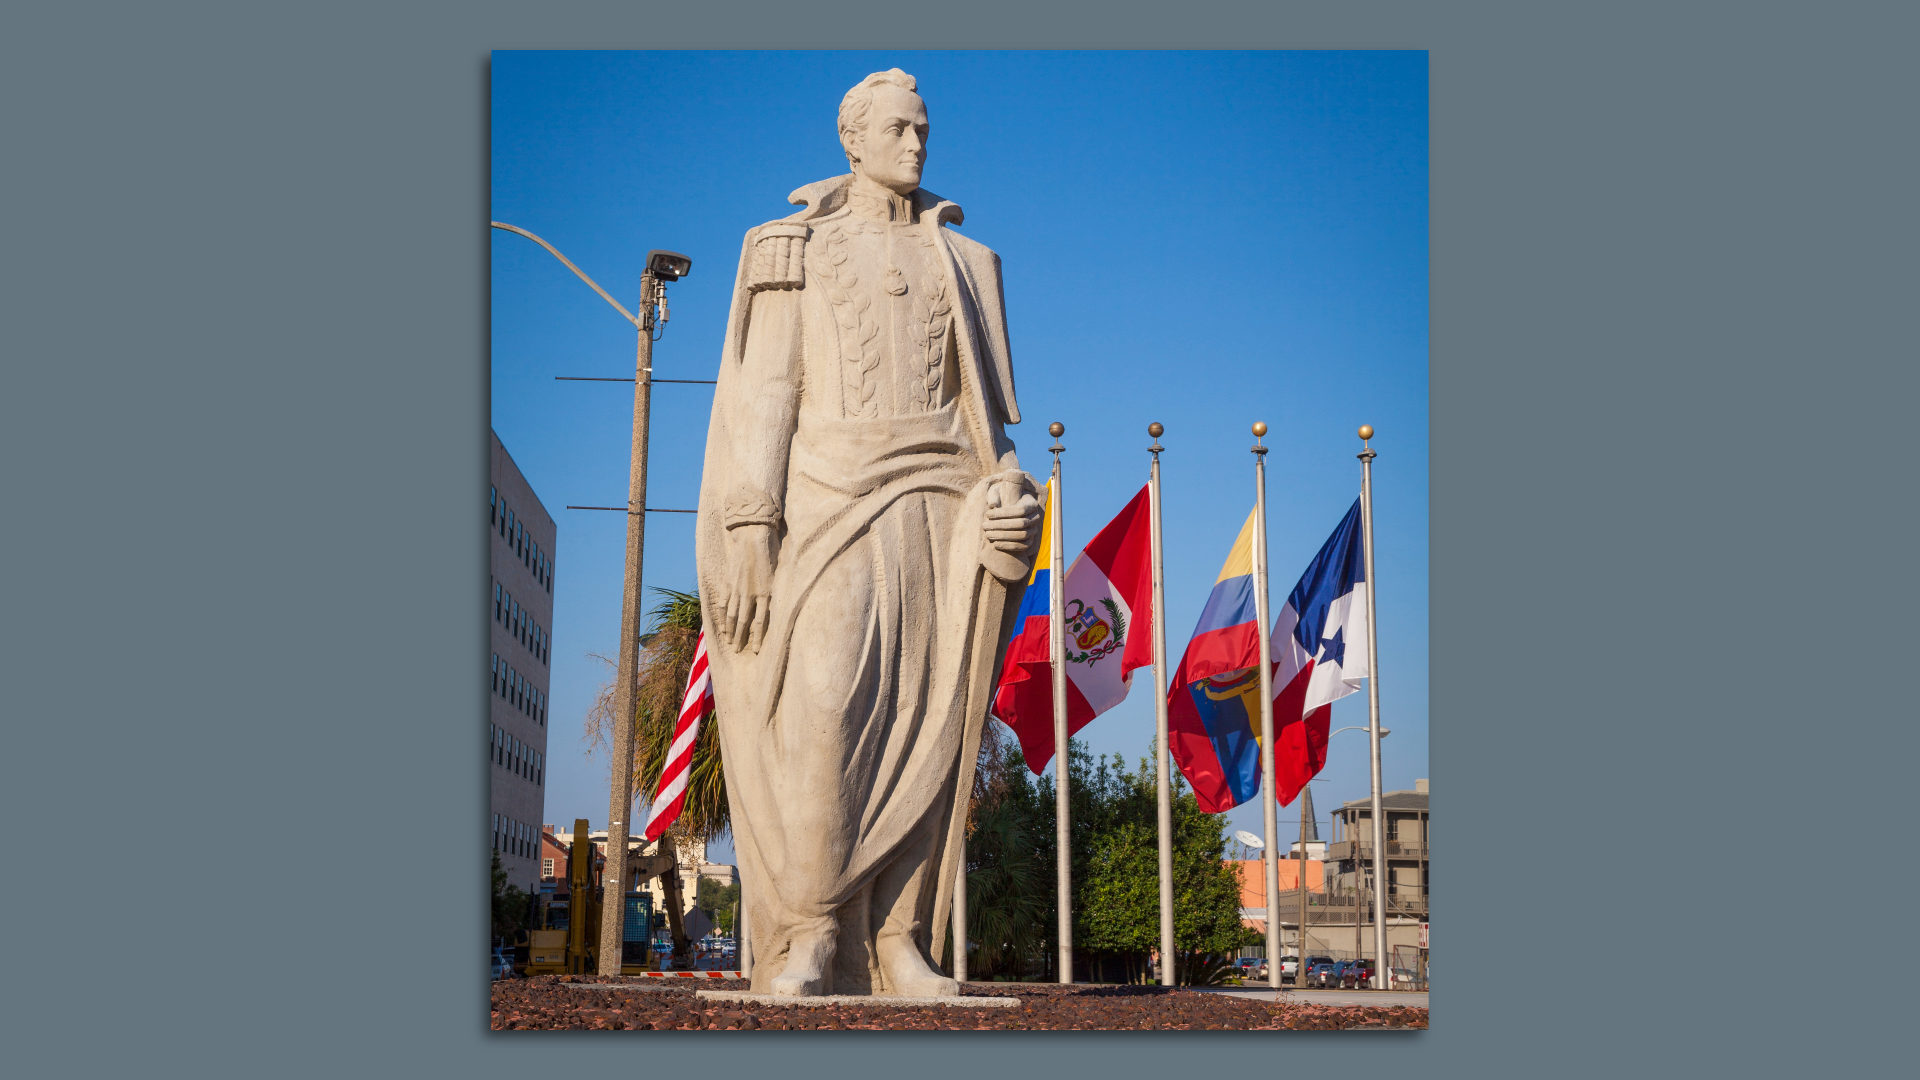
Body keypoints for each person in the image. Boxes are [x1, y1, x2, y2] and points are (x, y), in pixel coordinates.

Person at [696, 68, 1041, 997]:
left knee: (929, 717)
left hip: (940, 500)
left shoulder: (971, 264)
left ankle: (898, 939)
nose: (916, 142)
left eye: (923, 128)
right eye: (897, 127)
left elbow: (988, 430)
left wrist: (1011, 494)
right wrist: (751, 522)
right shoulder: (793, 247)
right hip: (825, 498)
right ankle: (813, 930)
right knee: (826, 708)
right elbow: (767, 391)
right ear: (851, 138)